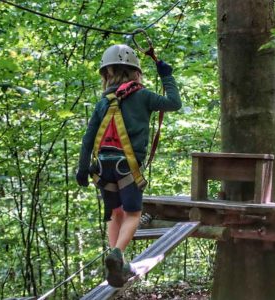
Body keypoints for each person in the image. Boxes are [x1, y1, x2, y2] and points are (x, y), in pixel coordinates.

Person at [76, 44, 181, 287]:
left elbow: (89, 137)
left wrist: (82, 167)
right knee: (133, 214)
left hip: (102, 168)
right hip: (128, 166)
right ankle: (117, 254)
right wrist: (167, 75)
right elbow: (174, 103)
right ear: (135, 71)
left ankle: (118, 264)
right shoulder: (143, 96)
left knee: (115, 213)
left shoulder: (103, 102)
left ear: (107, 74)